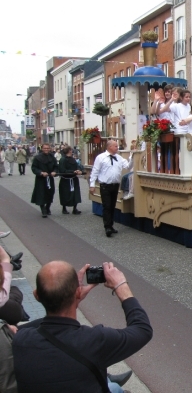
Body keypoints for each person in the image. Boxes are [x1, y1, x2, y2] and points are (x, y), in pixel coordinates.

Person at [13, 260, 152, 393]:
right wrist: (121, 285)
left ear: (36, 295)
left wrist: (72, 299)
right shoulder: (95, 341)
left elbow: (45, 324)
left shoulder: (20, 339)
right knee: (114, 388)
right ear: (78, 292)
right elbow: (142, 329)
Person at [89, 140, 134, 237]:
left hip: (115, 185)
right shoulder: (101, 158)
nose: (117, 148)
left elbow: (128, 166)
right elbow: (95, 171)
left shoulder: (119, 158)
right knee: (107, 206)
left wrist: (132, 158)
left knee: (112, 206)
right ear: (110, 147)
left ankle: (111, 225)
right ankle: (107, 227)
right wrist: (92, 185)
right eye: (116, 146)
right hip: (105, 185)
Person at [31, 143, 58, 217]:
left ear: (50, 149)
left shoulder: (52, 157)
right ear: (42, 149)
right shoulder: (37, 158)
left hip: (50, 178)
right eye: (45, 148)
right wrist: (41, 172)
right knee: (41, 194)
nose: (46, 149)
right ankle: (43, 210)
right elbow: (34, 168)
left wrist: (54, 171)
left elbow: (56, 166)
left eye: (47, 148)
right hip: (41, 179)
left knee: (50, 193)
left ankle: (47, 207)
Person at [58, 146, 84, 215]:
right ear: (68, 151)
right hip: (66, 180)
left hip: (74, 179)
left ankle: (75, 208)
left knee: (75, 193)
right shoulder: (63, 160)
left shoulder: (73, 159)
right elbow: (62, 170)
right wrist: (73, 171)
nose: (71, 151)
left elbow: (77, 165)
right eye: (70, 150)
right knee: (65, 194)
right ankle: (64, 208)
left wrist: (79, 170)